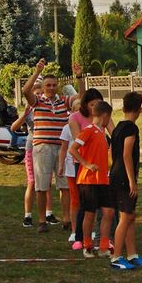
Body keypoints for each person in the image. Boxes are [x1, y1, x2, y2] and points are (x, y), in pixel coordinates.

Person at [22, 58, 85, 233]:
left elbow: (81, 97)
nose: (51, 88)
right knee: (42, 186)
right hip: (42, 147)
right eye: (48, 85)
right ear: (43, 87)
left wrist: (79, 77)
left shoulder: (63, 101)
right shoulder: (37, 101)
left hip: (61, 147)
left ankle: (66, 219)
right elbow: (25, 90)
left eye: (54, 85)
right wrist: (36, 73)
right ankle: (42, 220)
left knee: (64, 185)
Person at [109, 92, 142, 269]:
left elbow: (112, 152)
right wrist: (132, 181)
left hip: (116, 175)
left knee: (130, 216)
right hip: (123, 179)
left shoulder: (118, 126)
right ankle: (116, 257)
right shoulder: (131, 128)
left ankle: (132, 254)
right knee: (126, 217)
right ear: (139, 109)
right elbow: (127, 155)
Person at [68, 88, 115, 250]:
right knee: (87, 210)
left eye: (97, 103)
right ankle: (82, 240)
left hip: (102, 175)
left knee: (108, 211)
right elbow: (74, 147)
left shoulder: (101, 129)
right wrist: (87, 163)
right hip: (86, 173)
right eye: (92, 103)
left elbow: (114, 135)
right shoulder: (85, 126)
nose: (94, 106)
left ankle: (103, 241)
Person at [11, 80, 57, 228]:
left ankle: (49, 213)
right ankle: (28, 215)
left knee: (47, 184)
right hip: (32, 148)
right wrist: (24, 116)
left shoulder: (45, 107)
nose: (37, 95)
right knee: (32, 182)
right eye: (35, 93)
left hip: (46, 147)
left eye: (39, 93)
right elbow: (14, 127)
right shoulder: (28, 111)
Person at [58, 99, 81, 242]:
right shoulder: (67, 128)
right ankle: (74, 230)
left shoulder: (87, 126)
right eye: (76, 110)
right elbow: (64, 148)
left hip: (84, 168)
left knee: (87, 200)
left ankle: (87, 229)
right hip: (71, 169)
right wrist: (61, 165)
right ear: (72, 111)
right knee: (75, 200)